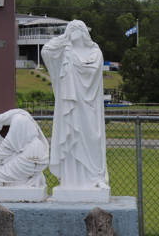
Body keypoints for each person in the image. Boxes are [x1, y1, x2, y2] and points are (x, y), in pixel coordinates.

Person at [41, 20, 108, 191]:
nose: (71, 32)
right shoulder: (65, 51)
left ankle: (96, 177)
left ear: (83, 32)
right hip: (69, 106)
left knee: (93, 139)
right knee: (71, 139)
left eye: (75, 29)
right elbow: (46, 51)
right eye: (69, 29)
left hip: (88, 104)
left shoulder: (95, 52)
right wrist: (64, 37)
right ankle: (70, 180)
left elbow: (93, 74)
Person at [0, 85, 49, 187]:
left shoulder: (18, 120)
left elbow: (6, 148)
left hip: (31, 155)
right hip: (29, 152)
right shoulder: (19, 115)